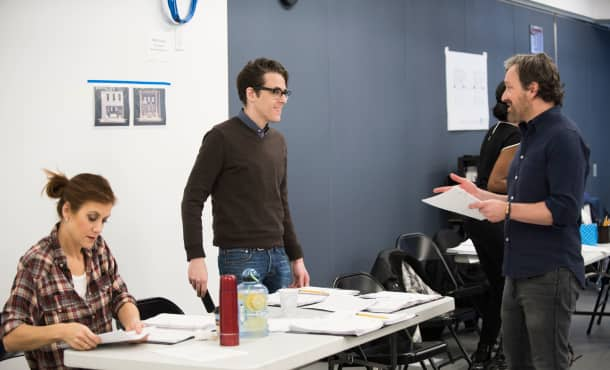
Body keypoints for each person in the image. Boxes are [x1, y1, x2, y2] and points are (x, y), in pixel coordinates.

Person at [435, 53, 589, 370]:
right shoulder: (529, 135)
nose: (503, 96)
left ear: (532, 89)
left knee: (547, 363)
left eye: (509, 87)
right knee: (517, 363)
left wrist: (504, 209)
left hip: (549, 272)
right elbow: (521, 196)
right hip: (516, 270)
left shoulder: (563, 137)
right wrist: (477, 193)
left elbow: (562, 210)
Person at [181, 57, 310, 295]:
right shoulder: (221, 138)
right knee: (246, 331)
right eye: (275, 92)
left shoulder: (277, 142)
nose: (283, 99)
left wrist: (296, 257)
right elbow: (192, 199)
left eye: (285, 92)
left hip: (279, 255)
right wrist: (195, 256)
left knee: (283, 330)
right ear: (251, 93)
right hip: (240, 258)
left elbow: (281, 203)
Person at [1, 170, 143, 369]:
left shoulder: (99, 250)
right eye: (92, 218)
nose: (98, 228)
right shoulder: (37, 263)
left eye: (104, 220)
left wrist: (132, 323)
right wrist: (61, 331)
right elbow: (10, 335)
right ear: (67, 211)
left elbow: (120, 296)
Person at [465, 81, 520, 370]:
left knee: (498, 283)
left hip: (478, 215)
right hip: (492, 212)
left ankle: (486, 350)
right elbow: (498, 182)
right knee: (506, 284)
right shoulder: (515, 134)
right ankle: (496, 349)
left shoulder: (495, 131)